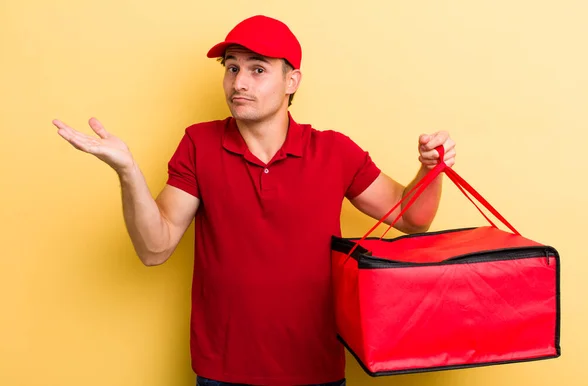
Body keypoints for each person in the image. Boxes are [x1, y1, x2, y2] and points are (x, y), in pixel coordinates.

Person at [52, 14, 456, 386]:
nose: (238, 82)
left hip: (315, 370)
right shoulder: (199, 144)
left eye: (257, 69)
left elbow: (410, 217)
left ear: (291, 81)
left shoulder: (334, 152)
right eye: (232, 68)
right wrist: (128, 171)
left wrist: (430, 169)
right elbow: (155, 248)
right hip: (222, 372)